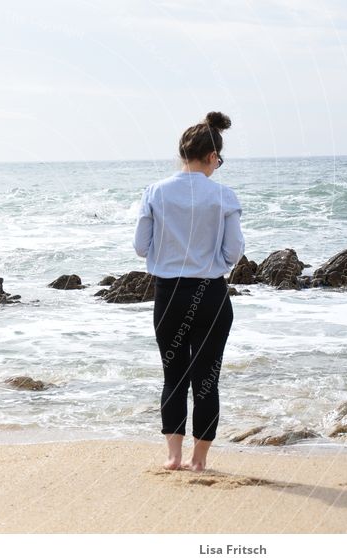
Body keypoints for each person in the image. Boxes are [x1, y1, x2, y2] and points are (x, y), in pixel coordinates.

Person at [133, 111, 245, 472]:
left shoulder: (155, 191)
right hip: (211, 295)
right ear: (212, 156)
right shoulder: (224, 196)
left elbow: (140, 246)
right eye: (219, 161)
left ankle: (173, 457)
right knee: (207, 378)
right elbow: (233, 253)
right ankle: (199, 461)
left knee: (174, 376)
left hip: (169, 296)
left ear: (183, 153)